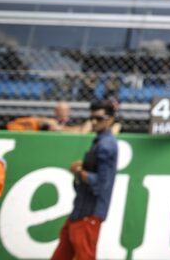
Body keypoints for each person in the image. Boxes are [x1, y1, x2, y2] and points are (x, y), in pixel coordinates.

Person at [51, 100, 118, 260]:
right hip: (80, 210)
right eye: (92, 118)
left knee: (84, 255)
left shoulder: (106, 145)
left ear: (110, 120)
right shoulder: (99, 142)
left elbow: (101, 183)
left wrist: (80, 171)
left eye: (99, 118)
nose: (94, 122)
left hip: (89, 213)